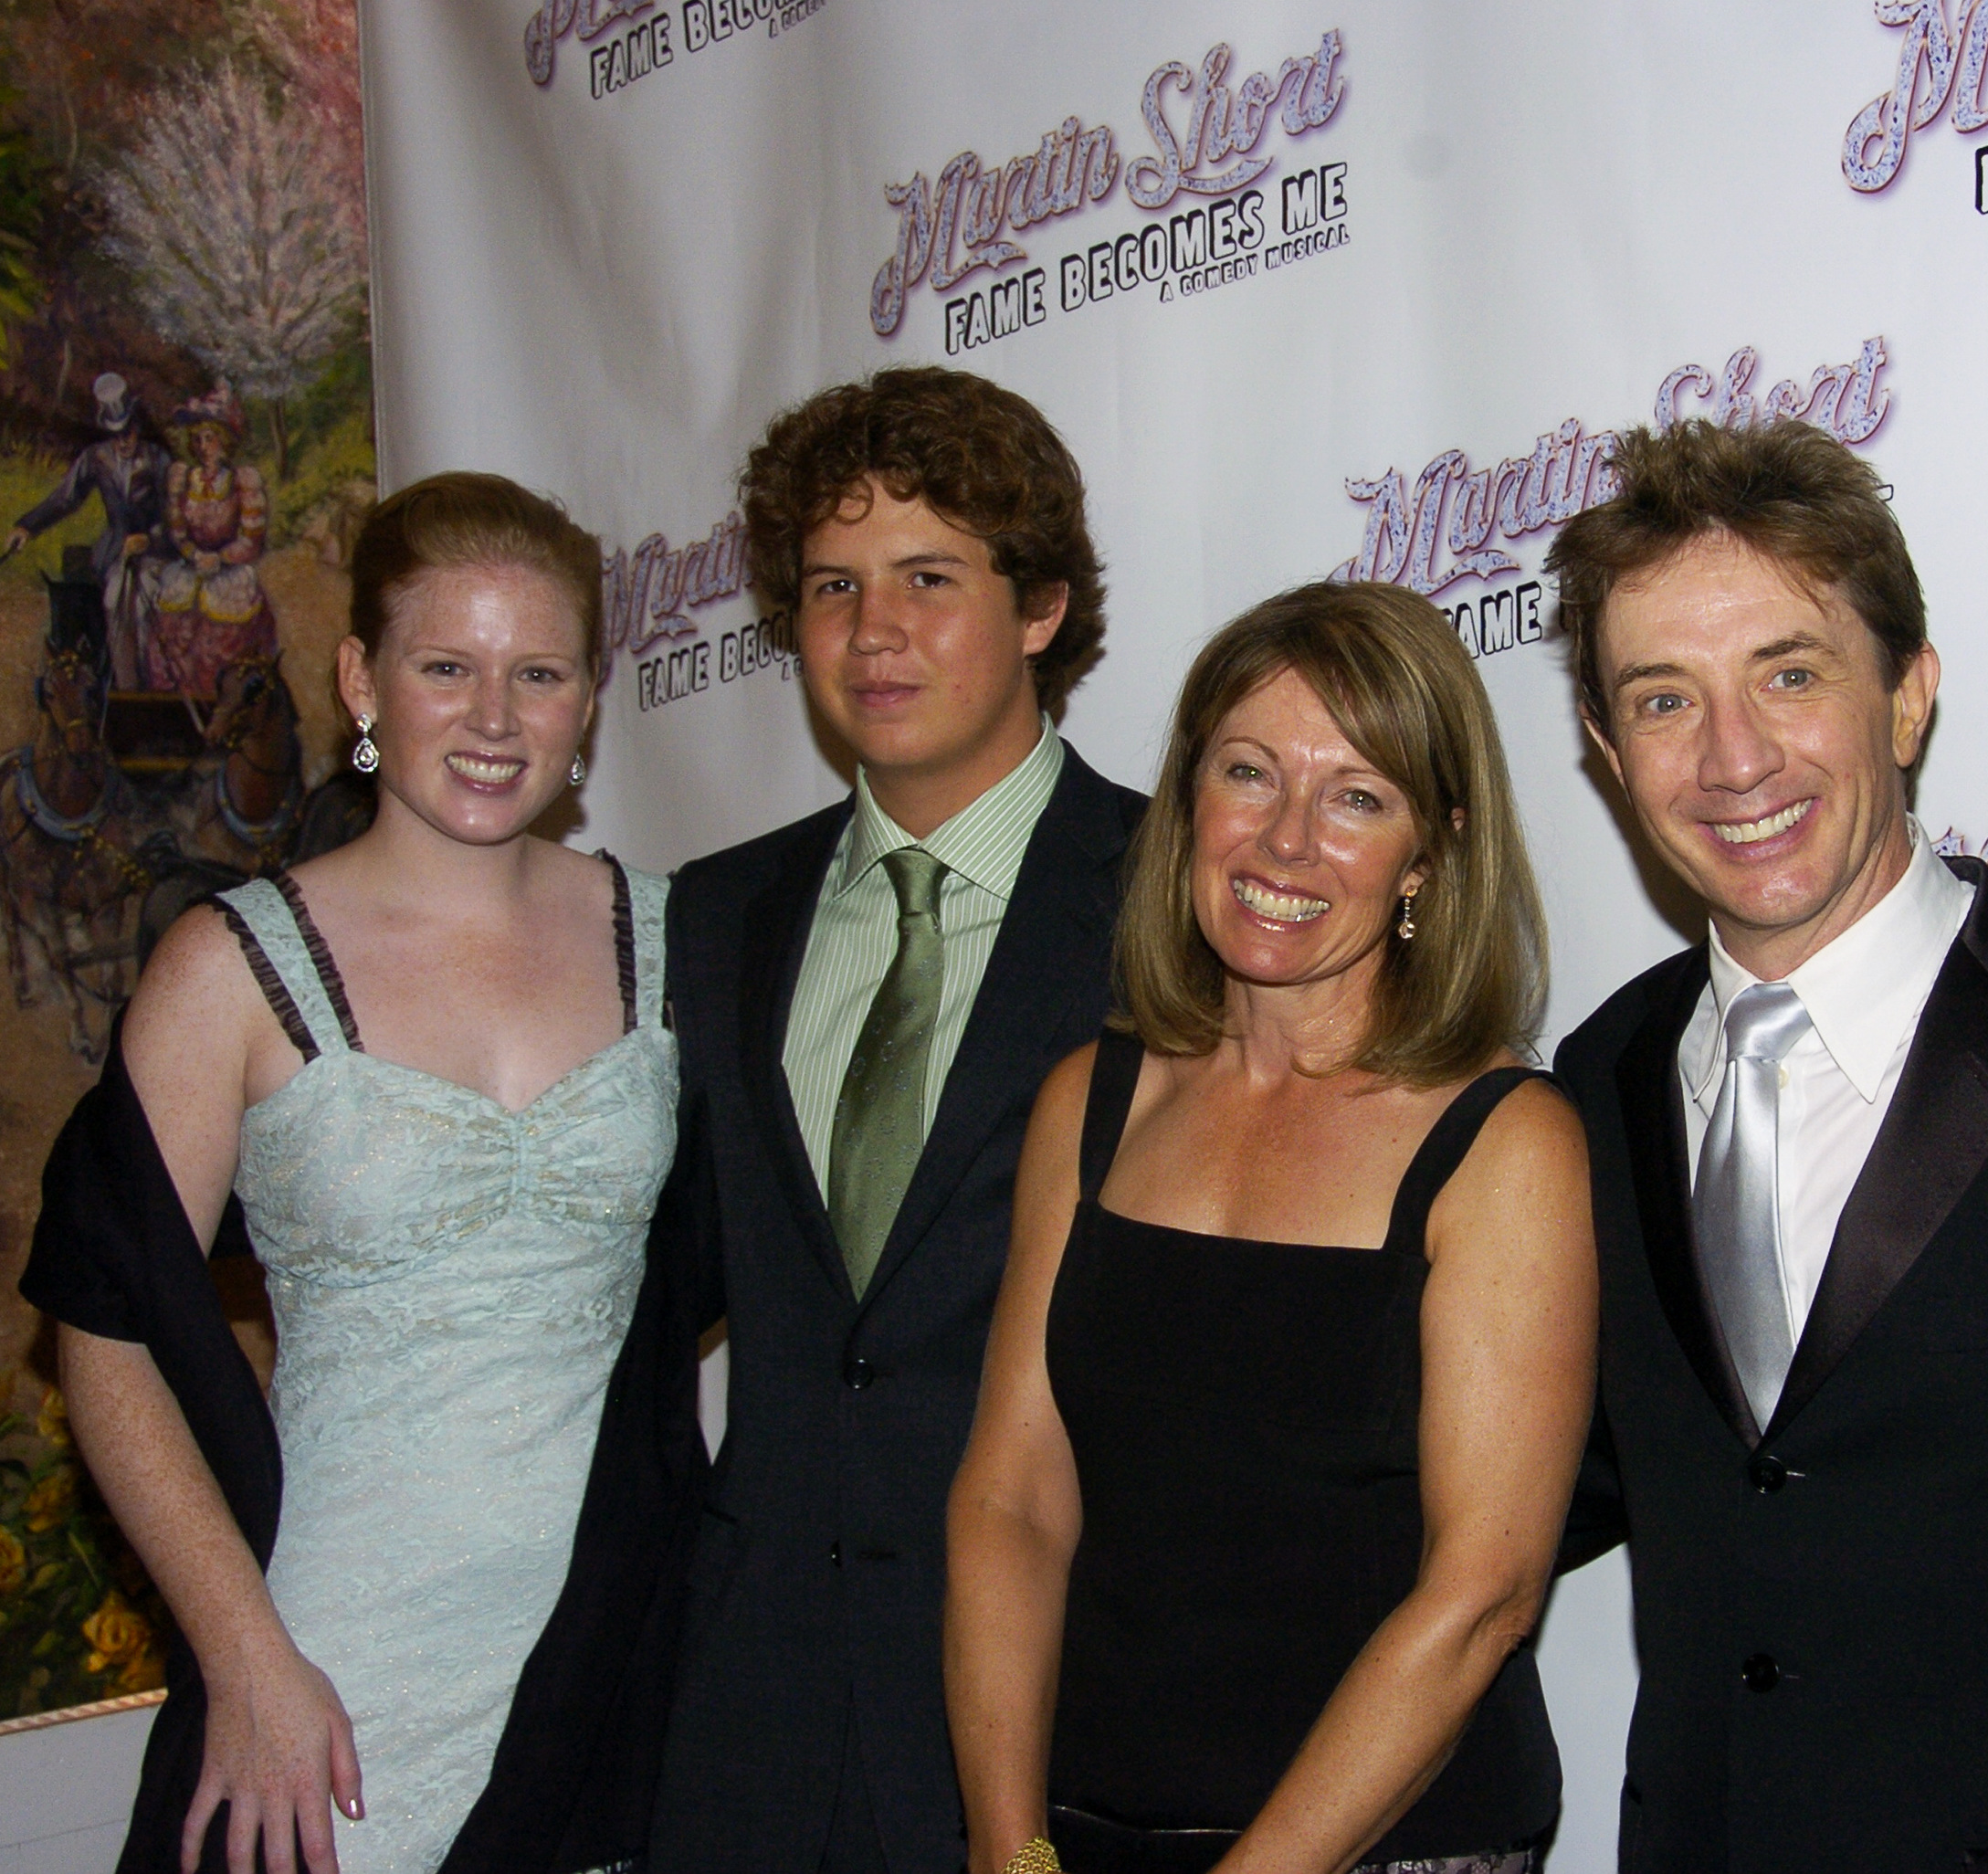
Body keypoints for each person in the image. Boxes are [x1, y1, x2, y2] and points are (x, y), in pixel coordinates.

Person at [22, 470, 681, 1874]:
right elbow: (103, 1333)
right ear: (361, 681)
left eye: (539, 673)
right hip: (332, 1675)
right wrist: (245, 1655)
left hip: (619, 1656)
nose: (495, 720)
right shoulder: (232, 969)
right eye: (446, 667)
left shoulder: (677, 940)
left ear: (587, 703)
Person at [1543, 416, 1988, 1871]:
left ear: (1909, 697)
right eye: (1665, 701)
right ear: (1611, 756)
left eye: (1790, 676)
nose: (1734, 758)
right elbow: (1557, 1475)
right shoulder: (1598, 1076)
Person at [944, 579, 1595, 1874]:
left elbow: (1483, 1595)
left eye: (1356, 797)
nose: (1286, 842)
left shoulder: (1506, 1143)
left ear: (1430, 851)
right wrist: (1008, 1849)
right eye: (1250, 773)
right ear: (1191, 796)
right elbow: (1012, 1498)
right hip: (1078, 1829)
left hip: (1392, 1846)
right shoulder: (1095, 1101)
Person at [649, 366, 1147, 1874]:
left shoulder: (1181, 910)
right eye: (831, 587)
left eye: (930, 578)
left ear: (1042, 605)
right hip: (752, 1715)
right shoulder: (717, 918)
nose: (874, 633)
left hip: (1067, 1714)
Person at [5, 371, 173, 689]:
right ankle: (127, 691)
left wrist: (149, 539)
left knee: (146, 603)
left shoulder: (157, 459)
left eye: (128, 431)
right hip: (114, 554)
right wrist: (27, 526)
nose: (123, 440)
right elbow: (65, 499)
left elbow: (175, 514)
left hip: (155, 553)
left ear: (137, 426)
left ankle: (155, 687)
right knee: (113, 602)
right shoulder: (96, 458)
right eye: (116, 433)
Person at [148, 385, 280, 705]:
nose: (203, 446)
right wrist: (193, 554)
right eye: (197, 439)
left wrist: (220, 558)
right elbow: (178, 530)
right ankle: (175, 707)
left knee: (221, 636)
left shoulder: (241, 482)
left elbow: (251, 537)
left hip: (229, 570)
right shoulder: (183, 479)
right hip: (192, 567)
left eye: (210, 438)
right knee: (168, 624)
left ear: (225, 442)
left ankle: (224, 705)